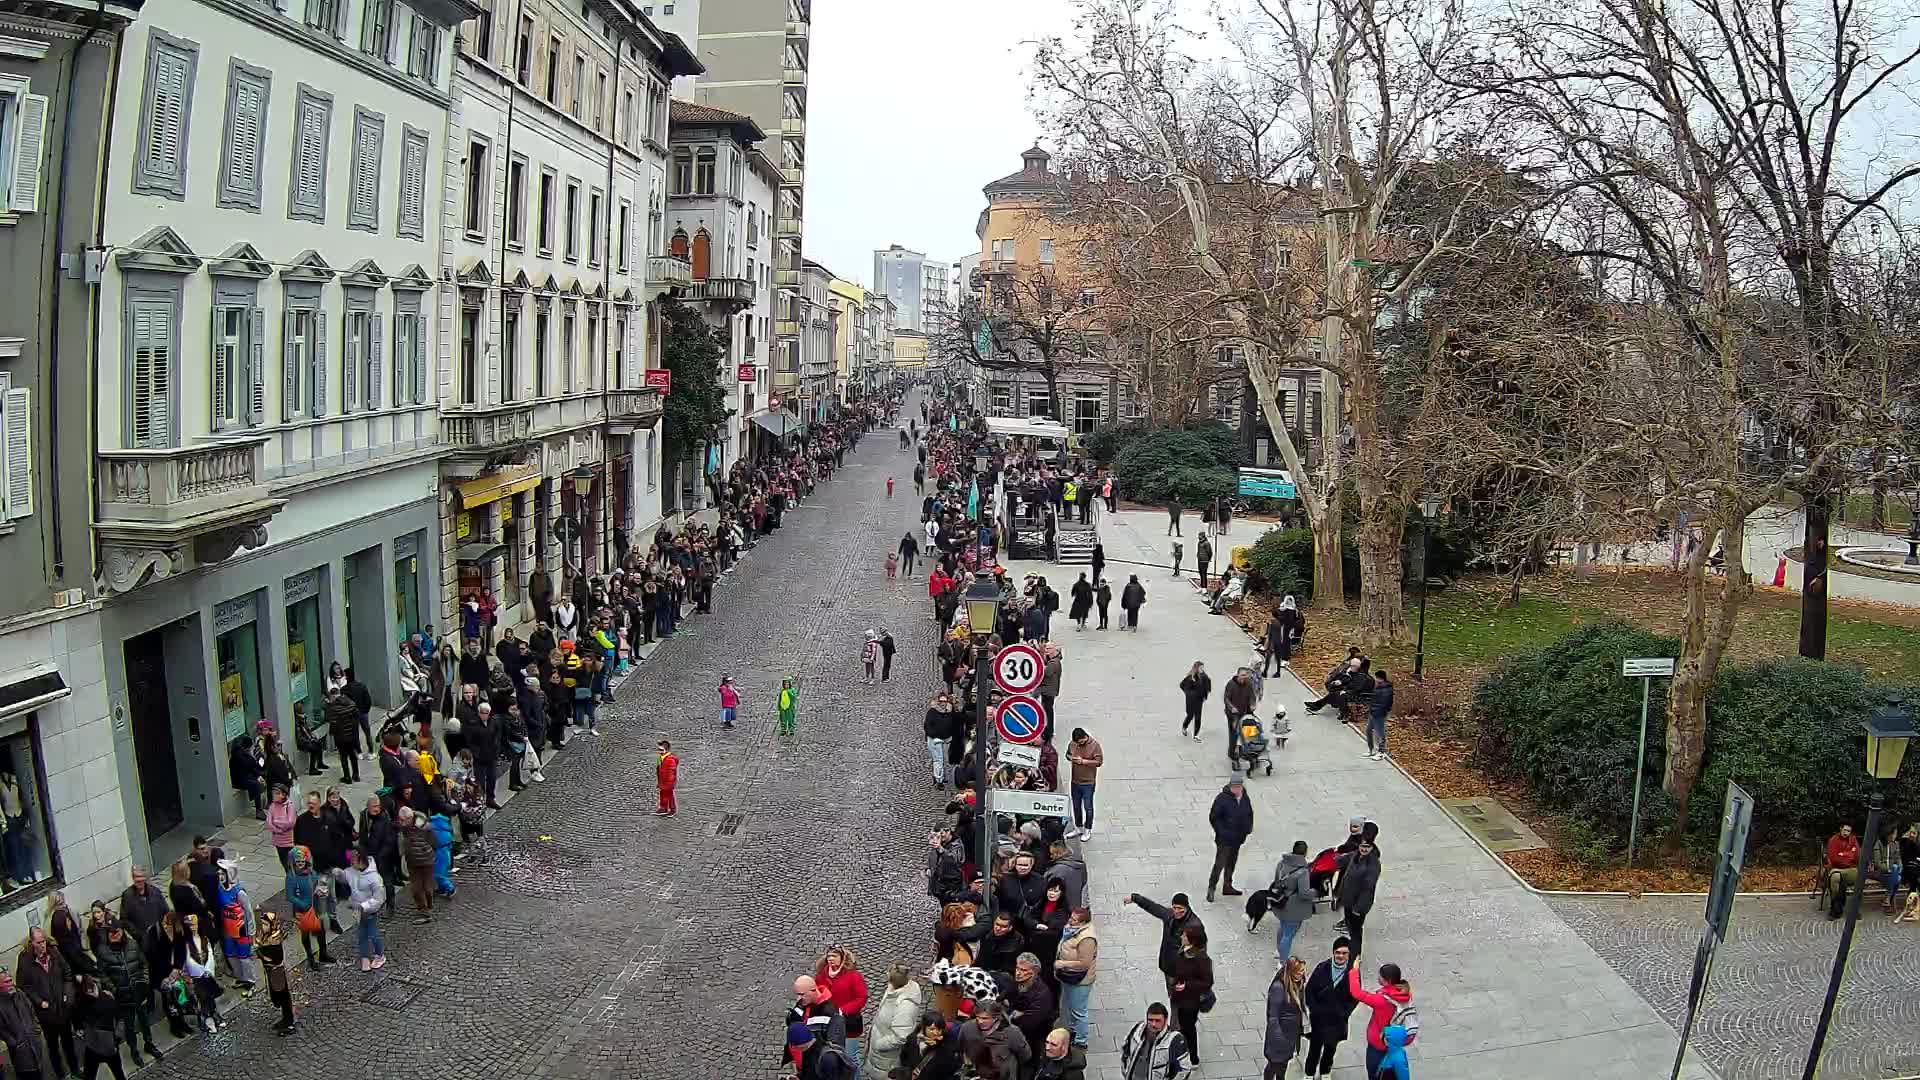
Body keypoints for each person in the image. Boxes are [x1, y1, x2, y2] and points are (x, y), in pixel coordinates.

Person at [94, 919, 159, 1067]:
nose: (114, 935)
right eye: (111, 933)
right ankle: (134, 1051)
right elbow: (102, 974)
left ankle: (149, 1044)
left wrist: (145, 982)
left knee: (144, 1021)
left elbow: (143, 965)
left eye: (116, 932)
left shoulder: (132, 945)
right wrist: (113, 989)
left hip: (139, 991)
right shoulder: (103, 951)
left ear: (122, 931)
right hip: (122, 996)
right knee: (129, 1026)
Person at [17, 926, 78, 1076]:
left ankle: (75, 1070)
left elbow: (67, 973)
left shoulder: (54, 952)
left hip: (62, 1008)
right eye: (38, 942)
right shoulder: (25, 960)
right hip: (46, 1013)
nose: (42, 945)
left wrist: (67, 994)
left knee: (68, 1043)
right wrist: (39, 1002)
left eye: (43, 941)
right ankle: (60, 1074)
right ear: (31, 943)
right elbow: (24, 986)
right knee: (53, 1047)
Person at [1122, 892, 1203, 994]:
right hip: (1168, 967)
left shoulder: (1194, 925)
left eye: (1180, 909)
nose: (1177, 912)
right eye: (1175, 908)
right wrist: (1135, 898)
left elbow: (1198, 952)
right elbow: (1153, 907)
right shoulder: (1169, 916)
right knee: (1172, 995)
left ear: (1187, 908)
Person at [1303, 938, 1359, 1079]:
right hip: (1319, 1019)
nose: (1340, 956)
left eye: (1344, 953)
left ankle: (1325, 1071)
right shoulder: (1322, 968)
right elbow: (1309, 990)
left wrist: (1344, 1013)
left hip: (1337, 1021)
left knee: (1330, 1048)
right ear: (1333, 953)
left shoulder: (1352, 974)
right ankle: (1309, 1073)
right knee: (1314, 1049)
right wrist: (1314, 1009)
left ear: (1349, 954)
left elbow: (1355, 997)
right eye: (1337, 952)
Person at [1348, 962, 1413, 1079]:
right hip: (1394, 1042)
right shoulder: (1404, 994)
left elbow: (1356, 993)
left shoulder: (1382, 1001)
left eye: (1380, 977)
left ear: (1386, 981)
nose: (1378, 978)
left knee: (1375, 1074)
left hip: (1378, 1044)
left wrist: (1354, 971)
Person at [861, 963, 924, 1080]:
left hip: (887, 1059)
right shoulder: (893, 990)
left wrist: (879, 1044)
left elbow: (900, 1036)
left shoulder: (905, 1006)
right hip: (880, 1054)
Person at [1167, 924, 1213, 1062]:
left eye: (1184, 936)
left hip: (1191, 1001)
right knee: (1184, 1025)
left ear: (1192, 939)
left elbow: (1207, 982)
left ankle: (1193, 1057)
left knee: (1189, 1028)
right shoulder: (1184, 950)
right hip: (1181, 997)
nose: (1181, 937)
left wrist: (1186, 985)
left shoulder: (1202, 958)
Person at [1053, 907, 1097, 1048]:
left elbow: (1084, 964)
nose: (1070, 921)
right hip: (1068, 976)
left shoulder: (1087, 938)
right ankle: (1073, 1031)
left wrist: (1062, 963)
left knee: (1079, 1011)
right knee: (1070, 1007)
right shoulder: (1072, 929)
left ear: (1083, 923)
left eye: (1073, 920)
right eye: (1071, 917)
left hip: (1080, 980)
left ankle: (1081, 1041)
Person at [815, 946, 869, 1061]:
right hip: (827, 1022)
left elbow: (861, 997)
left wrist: (842, 1010)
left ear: (842, 958)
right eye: (829, 956)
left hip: (848, 1023)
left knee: (850, 1057)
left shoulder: (853, 976)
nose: (831, 959)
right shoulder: (821, 975)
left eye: (834, 956)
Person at [954, 999, 1031, 1080]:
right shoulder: (967, 1028)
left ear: (996, 1018)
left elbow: (1025, 1055)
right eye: (978, 1017)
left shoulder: (1012, 1032)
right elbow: (960, 1049)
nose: (980, 1021)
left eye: (985, 1018)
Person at [1206, 777, 1254, 902]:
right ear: (1230, 786)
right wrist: (1222, 833)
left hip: (1238, 838)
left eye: (1239, 787)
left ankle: (1227, 886)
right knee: (1219, 864)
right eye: (1235, 787)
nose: (1238, 790)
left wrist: (1248, 828)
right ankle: (1212, 887)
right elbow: (1214, 818)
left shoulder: (1244, 796)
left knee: (1231, 862)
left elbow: (1249, 813)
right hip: (1224, 840)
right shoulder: (1222, 799)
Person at [1335, 836, 1382, 957]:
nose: (1364, 849)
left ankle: (1356, 956)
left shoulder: (1373, 864)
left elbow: (1368, 889)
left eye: (1367, 847)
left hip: (1358, 906)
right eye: (1362, 846)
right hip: (1348, 901)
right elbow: (1341, 860)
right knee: (1350, 929)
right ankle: (1353, 951)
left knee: (1356, 932)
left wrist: (1358, 908)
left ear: (1372, 847)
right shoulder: (1355, 855)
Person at [1270, 840, 1316, 961]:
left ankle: (1278, 951)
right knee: (1289, 934)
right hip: (1294, 907)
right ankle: (1282, 962)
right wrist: (1315, 892)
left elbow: (1276, 880)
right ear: (1305, 853)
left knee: (1283, 926)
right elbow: (1304, 893)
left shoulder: (1281, 863)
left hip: (1280, 901)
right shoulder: (1303, 871)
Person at [1120, 1002, 1190, 1079]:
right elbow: (1125, 1051)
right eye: (1150, 1020)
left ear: (1166, 1020)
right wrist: (1125, 1071)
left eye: (1157, 1021)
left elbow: (1184, 1070)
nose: (1153, 1024)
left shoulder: (1175, 1040)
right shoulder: (1137, 1030)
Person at [0, 970, 49, 1080]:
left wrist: (36, 1028)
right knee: (27, 1075)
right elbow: (1, 1030)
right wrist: (14, 1042)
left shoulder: (19, 994)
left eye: (10, 980)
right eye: (7, 982)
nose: (11, 983)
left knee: (40, 1071)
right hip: (20, 1050)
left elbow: (31, 1010)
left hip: (34, 1042)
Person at [117, 865, 170, 946]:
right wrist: (138, 935)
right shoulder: (127, 896)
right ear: (132, 877)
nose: (138, 879)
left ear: (145, 877)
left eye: (141, 876)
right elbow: (124, 919)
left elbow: (166, 912)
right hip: (143, 941)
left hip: (160, 936)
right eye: (136, 876)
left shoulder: (155, 892)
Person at [1066, 729, 1102, 839]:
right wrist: (1072, 758)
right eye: (1077, 743)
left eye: (1080, 742)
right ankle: (1078, 827)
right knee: (1076, 806)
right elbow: (1067, 755)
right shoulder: (1073, 743)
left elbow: (1099, 762)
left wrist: (1084, 761)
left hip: (1088, 782)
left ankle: (1088, 829)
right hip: (1075, 781)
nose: (1079, 744)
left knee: (1088, 807)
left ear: (1085, 737)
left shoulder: (1095, 745)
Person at [1826, 821, 1861, 919]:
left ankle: (1855, 908)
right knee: (1835, 878)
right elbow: (1834, 859)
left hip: (1851, 870)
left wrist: (1843, 855)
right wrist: (1849, 856)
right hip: (1836, 869)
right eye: (1845, 830)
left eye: (1849, 831)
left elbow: (1857, 856)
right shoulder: (1833, 840)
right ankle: (1834, 907)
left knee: (1860, 878)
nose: (1846, 833)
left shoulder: (1853, 840)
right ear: (1840, 829)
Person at [1223, 668, 1258, 763]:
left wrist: (1252, 704)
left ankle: (1249, 750)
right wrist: (1232, 708)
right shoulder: (1231, 684)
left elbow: (1252, 696)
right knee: (1234, 733)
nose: (1244, 677)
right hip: (1234, 714)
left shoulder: (1249, 684)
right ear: (1238, 675)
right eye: (1242, 675)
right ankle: (1231, 752)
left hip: (1246, 711)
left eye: (1246, 675)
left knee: (1250, 730)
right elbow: (1226, 699)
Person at [1179, 662, 1212, 740]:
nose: (1202, 669)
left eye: (1203, 668)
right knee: (1190, 715)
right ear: (1196, 668)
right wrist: (1189, 693)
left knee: (1198, 717)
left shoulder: (1204, 676)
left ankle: (1196, 735)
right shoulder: (1190, 677)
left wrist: (1205, 695)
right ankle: (1184, 727)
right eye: (1201, 668)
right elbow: (1182, 685)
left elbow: (1208, 685)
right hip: (1190, 700)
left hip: (1199, 700)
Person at [1367, 669, 1394, 761]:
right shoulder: (1378, 687)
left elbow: (1385, 704)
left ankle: (1381, 752)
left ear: (1380, 678)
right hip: (1373, 712)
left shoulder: (1385, 689)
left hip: (1379, 714)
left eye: (1376, 678)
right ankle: (1371, 750)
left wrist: (1377, 711)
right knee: (1368, 730)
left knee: (1380, 733)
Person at [655, 739, 679, 817]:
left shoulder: (670, 759)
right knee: (662, 794)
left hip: (668, 782)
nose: (659, 751)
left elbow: (671, 773)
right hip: (662, 781)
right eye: (658, 749)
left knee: (669, 795)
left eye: (661, 750)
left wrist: (669, 783)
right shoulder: (660, 758)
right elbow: (658, 770)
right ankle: (663, 808)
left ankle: (672, 810)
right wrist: (659, 782)